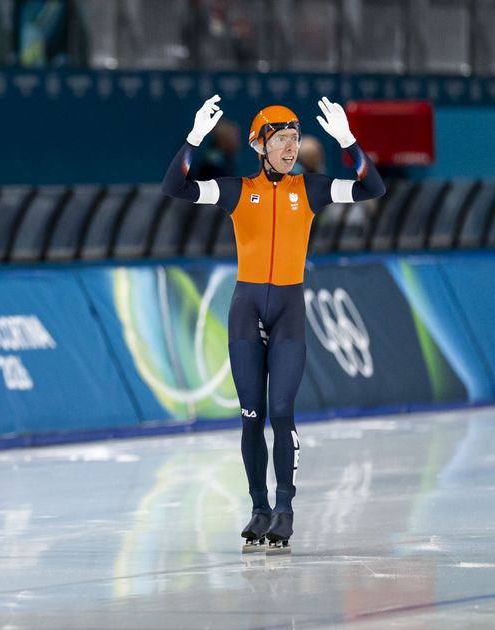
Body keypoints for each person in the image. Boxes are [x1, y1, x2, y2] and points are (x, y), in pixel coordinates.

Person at [161, 95, 385, 553]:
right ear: (259, 145)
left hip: (288, 311)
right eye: (281, 139)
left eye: (295, 139)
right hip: (245, 310)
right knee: (251, 416)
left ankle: (284, 509)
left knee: (282, 412)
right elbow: (175, 188)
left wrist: (348, 141)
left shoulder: (312, 189)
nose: (290, 147)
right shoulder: (236, 190)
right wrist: (194, 138)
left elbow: (371, 189)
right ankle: (259, 508)